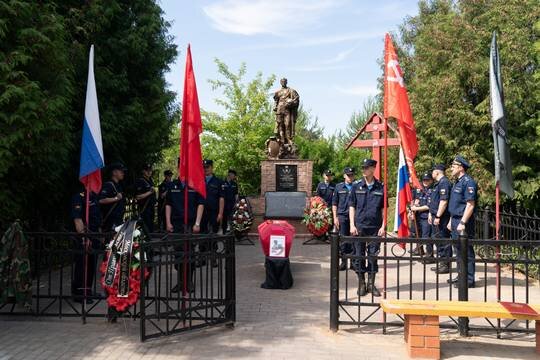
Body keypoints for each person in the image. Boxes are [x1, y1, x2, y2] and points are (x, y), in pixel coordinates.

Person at [349, 159, 385, 297]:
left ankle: (371, 283)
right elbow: (352, 206)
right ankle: (362, 283)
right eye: (362, 167)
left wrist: (383, 226)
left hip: (375, 228)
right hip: (359, 226)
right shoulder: (356, 186)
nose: (363, 170)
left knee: (373, 256)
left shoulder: (381, 187)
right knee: (359, 256)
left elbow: (383, 209)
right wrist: (352, 224)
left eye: (366, 168)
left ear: (373, 169)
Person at [165, 178, 204, 293]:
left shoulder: (195, 184)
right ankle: (180, 281)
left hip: (191, 224)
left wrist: (197, 223)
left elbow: (200, 204)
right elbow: (168, 204)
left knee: (190, 253)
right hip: (177, 224)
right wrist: (168, 222)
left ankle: (189, 281)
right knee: (178, 255)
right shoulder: (172, 185)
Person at [447, 156, 477, 288]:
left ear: (461, 167)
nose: (451, 168)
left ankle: (469, 280)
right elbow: (455, 204)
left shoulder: (468, 182)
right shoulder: (457, 182)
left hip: (463, 221)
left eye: (453, 166)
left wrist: (463, 222)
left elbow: (470, 204)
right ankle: (461, 275)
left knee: (466, 251)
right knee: (458, 250)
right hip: (455, 220)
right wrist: (450, 220)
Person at [70, 188, 101, 303]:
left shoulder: (93, 197)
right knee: (82, 264)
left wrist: (100, 232)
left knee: (91, 264)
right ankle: (79, 293)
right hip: (84, 237)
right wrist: (84, 236)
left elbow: (97, 217)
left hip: (94, 236)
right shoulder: (79, 197)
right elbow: (77, 219)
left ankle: (87, 290)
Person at [428, 164, 452, 274]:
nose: (432, 173)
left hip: (442, 217)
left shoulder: (444, 183)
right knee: (438, 240)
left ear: (437, 172)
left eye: (433, 171)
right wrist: (431, 214)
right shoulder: (437, 184)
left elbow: (444, 201)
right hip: (435, 215)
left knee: (444, 240)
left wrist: (437, 216)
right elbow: (434, 201)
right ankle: (441, 262)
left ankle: (445, 264)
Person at [332, 167, 355, 271]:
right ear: (344, 176)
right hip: (342, 216)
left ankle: (353, 262)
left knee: (354, 240)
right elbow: (334, 203)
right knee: (343, 240)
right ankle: (344, 262)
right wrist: (335, 217)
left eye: (352, 175)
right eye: (348, 175)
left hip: (354, 217)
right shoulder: (338, 187)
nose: (350, 177)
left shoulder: (357, 186)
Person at [410, 172, 434, 260]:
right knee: (417, 234)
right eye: (424, 180)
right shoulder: (419, 189)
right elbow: (415, 200)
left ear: (431, 181)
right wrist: (412, 210)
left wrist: (416, 209)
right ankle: (419, 250)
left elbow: (429, 205)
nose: (425, 182)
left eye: (427, 180)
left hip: (426, 216)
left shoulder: (432, 191)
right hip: (418, 216)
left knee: (426, 236)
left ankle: (429, 255)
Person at [99, 162, 126, 231]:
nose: (123, 173)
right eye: (121, 171)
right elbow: (101, 200)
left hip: (118, 219)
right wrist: (116, 198)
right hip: (111, 221)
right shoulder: (109, 185)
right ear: (114, 172)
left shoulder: (119, 185)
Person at [135, 164, 156, 233]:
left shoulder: (150, 180)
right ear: (143, 171)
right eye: (147, 170)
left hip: (151, 207)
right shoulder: (141, 181)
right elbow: (138, 197)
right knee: (145, 228)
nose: (149, 172)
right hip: (144, 208)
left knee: (150, 227)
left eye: (150, 170)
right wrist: (150, 192)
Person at [221, 169, 238, 234]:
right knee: (224, 219)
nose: (234, 177)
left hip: (232, 204)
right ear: (230, 175)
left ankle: (231, 232)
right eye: (233, 175)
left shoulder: (235, 184)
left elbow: (236, 194)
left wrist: (236, 203)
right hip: (224, 204)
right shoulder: (222, 183)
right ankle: (224, 232)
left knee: (232, 218)